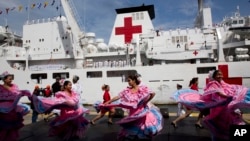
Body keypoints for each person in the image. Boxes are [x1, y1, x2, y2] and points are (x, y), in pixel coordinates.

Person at [174, 70, 250, 140]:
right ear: (214, 76)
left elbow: (232, 89)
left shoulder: (223, 83)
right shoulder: (213, 84)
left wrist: (237, 94)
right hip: (218, 108)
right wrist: (228, 97)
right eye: (218, 75)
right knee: (220, 125)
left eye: (221, 74)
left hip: (225, 107)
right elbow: (218, 93)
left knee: (230, 122)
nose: (220, 76)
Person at [101, 74, 163, 141]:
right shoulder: (127, 90)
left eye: (129, 80)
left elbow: (152, 93)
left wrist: (146, 101)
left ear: (134, 80)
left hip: (142, 113)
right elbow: (118, 96)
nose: (128, 82)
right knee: (132, 131)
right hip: (133, 113)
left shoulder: (142, 88)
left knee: (142, 130)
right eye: (128, 81)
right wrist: (108, 102)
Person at [0, 71, 31, 141]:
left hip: (12, 109)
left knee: (12, 127)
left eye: (11, 79)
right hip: (3, 111)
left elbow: (18, 93)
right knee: (4, 127)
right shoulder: (0, 87)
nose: (11, 80)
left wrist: (24, 93)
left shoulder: (14, 86)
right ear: (4, 79)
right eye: (9, 79)